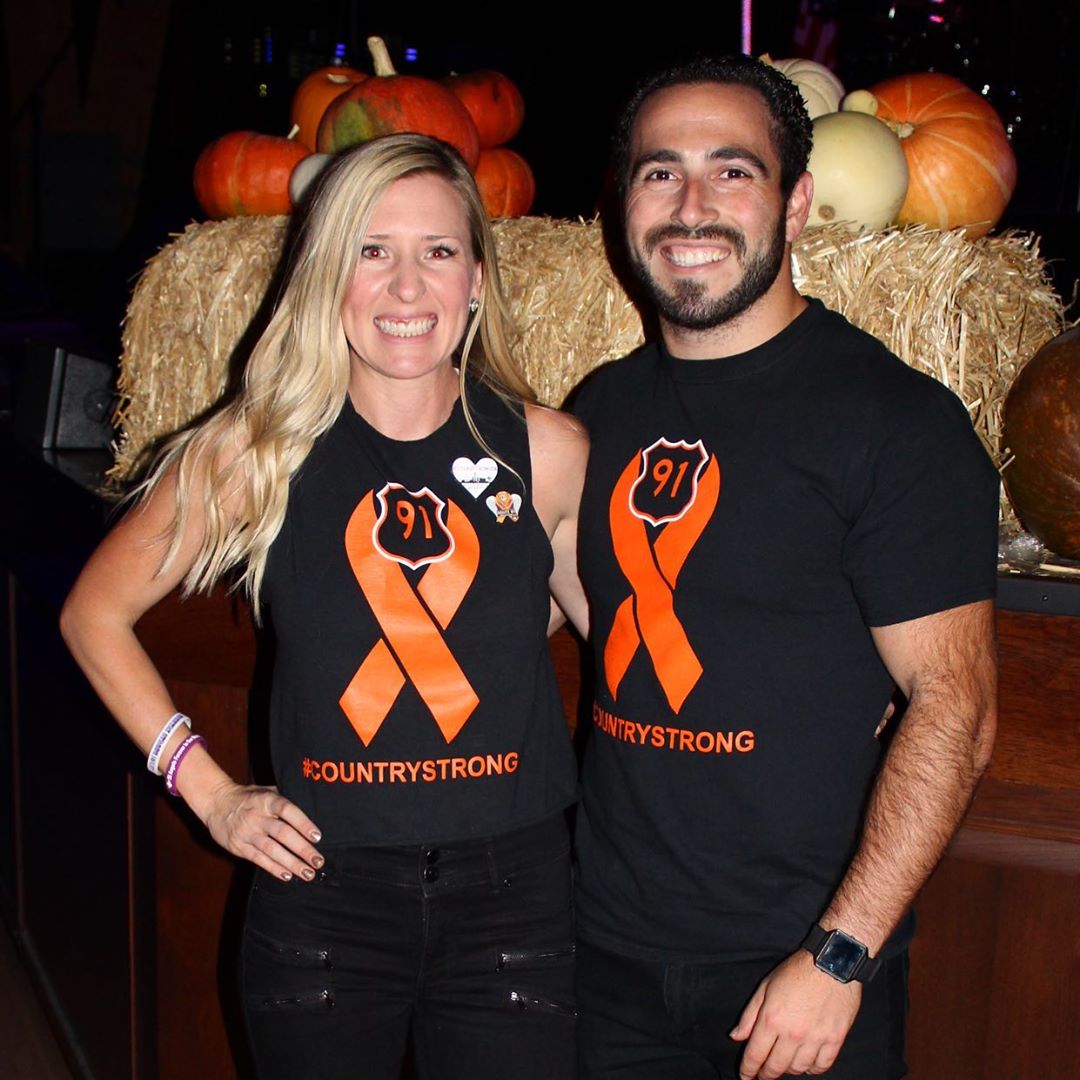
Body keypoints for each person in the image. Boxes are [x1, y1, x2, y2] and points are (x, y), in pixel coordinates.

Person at [60, 134, 586, 1080]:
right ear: (324, 275)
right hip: (324, 905)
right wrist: (209, 793)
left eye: (438, 251)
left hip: (515, 902)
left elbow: (624, 634)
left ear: (476, 279)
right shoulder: (253, 451)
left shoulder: (546, 451)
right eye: (370, 251)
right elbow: (92, 616)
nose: (406, 287)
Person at [566, 55, 999, 1080]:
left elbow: (958, 709)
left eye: (733, 171)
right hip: (600, 959)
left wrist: (840, 955)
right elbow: (601, 614)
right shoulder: (601, 410)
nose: (692, 206)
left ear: (796, 204)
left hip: (800, 972)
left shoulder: (894, 424)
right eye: (659, 172)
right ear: (622, 205)